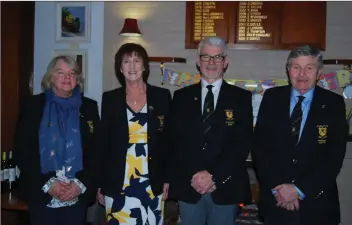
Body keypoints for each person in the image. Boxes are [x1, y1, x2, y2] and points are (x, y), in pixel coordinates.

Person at [251, 45, 347, 225]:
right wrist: (280, 190)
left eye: (309, 68)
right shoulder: (272, 98)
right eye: (296, 67)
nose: (302, 74)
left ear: (319, 73)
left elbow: (334, 156)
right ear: (288, 71)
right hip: (276, 203)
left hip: (317, 205)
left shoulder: (333, 104)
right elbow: (260, 148)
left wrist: (299, 189)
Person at [167, 36, 253, 225]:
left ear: (226, 61)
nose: (212, 62)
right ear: (198, 61)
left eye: (218, 57)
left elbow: (241, 144)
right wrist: (197, 176)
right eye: (206, 57)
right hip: (190, 185)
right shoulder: (181, 97)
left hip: (225, 186)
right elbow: (175, 142)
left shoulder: (241, 98)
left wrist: (214, 175)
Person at [13, 55, 100, 225]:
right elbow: (22, 151)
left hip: (76, 195)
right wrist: (48, 184)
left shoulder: (89, 107)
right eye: (60, 72)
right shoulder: (33, 106)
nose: (67, 77)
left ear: (78, 79)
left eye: (72, 73)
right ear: (50, 77)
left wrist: (79, 184)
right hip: (41, 193)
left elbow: (97, 151)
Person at [96, 43, 171, 225]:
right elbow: (102, 144)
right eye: (126, 61)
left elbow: (169, 142)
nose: (132, 67)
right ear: (120, 68)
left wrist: (168, 179)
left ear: (144, 66)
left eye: (137, 61)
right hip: (117, 181)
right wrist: (99, 183)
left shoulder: (162, 96)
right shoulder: (110, 99)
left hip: (152, 180)